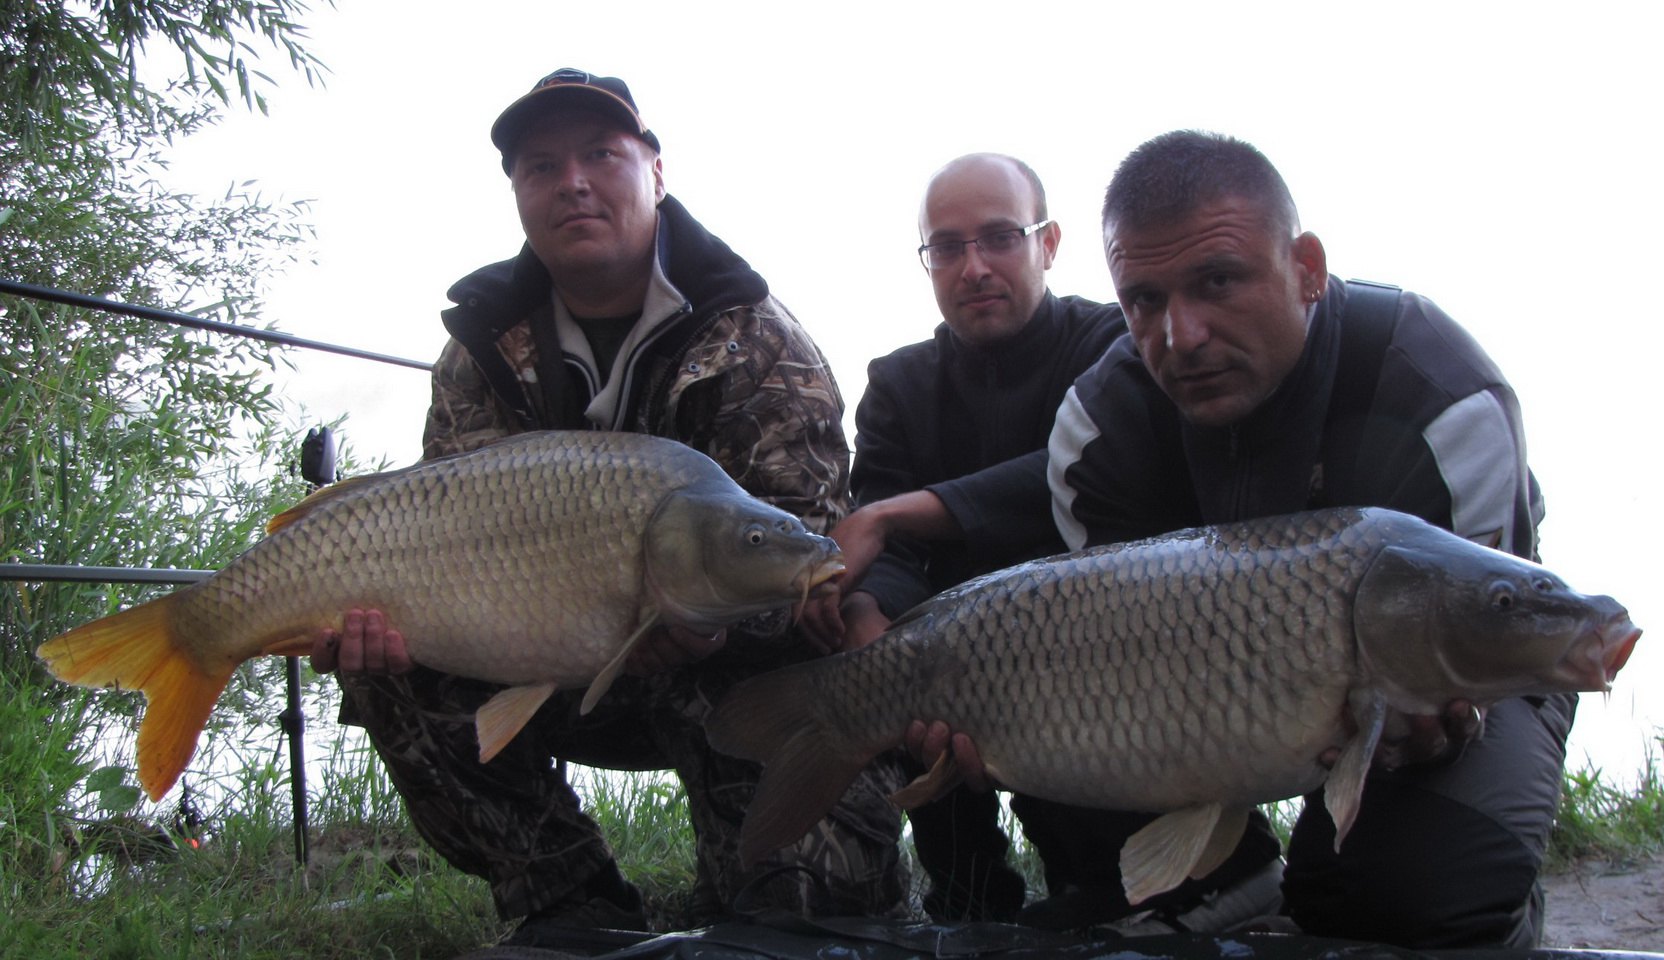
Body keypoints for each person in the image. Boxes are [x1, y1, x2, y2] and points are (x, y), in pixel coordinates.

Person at [845, 130, 1568, 948]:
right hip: (1209, 696)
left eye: (1217, 282)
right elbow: (1108, 660)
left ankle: (1488, 895)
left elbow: (1491, 613)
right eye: (1144, 300)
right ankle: (1227, 876)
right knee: (1059, 733)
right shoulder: (1098, 426)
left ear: (1306, 267)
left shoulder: (1440, 394)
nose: (1180, 335)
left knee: (1392, 893)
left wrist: (1448, 718)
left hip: (1478, 660)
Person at [308, 68, 906, 945]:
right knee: (383, 662)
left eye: (600, 154)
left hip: (730, 673)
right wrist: (371, 619)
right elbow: (438, 530)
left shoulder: (759, 340)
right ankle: (566, 896)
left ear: (656, 172)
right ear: (517, 193)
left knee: (806, 916)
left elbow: (804, 556)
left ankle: (767, 883)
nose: (573, 182)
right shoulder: (479, 351)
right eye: (541, 166)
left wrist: (716, 630)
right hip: (543, 650)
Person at [802, 153, 1130, 924]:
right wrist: (863, 615)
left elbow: (1072, 468)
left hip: (1097, 660)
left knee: (1104, 896)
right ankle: (966, 900)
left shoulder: (1110, 342)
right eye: (947, 248)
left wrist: (891, 515)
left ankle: (1102, 889)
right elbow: (882, 551)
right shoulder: (900, 383)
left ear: (1048, 243)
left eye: (999, 239)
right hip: (943, 671)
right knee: (890, 677)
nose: (974, 266)